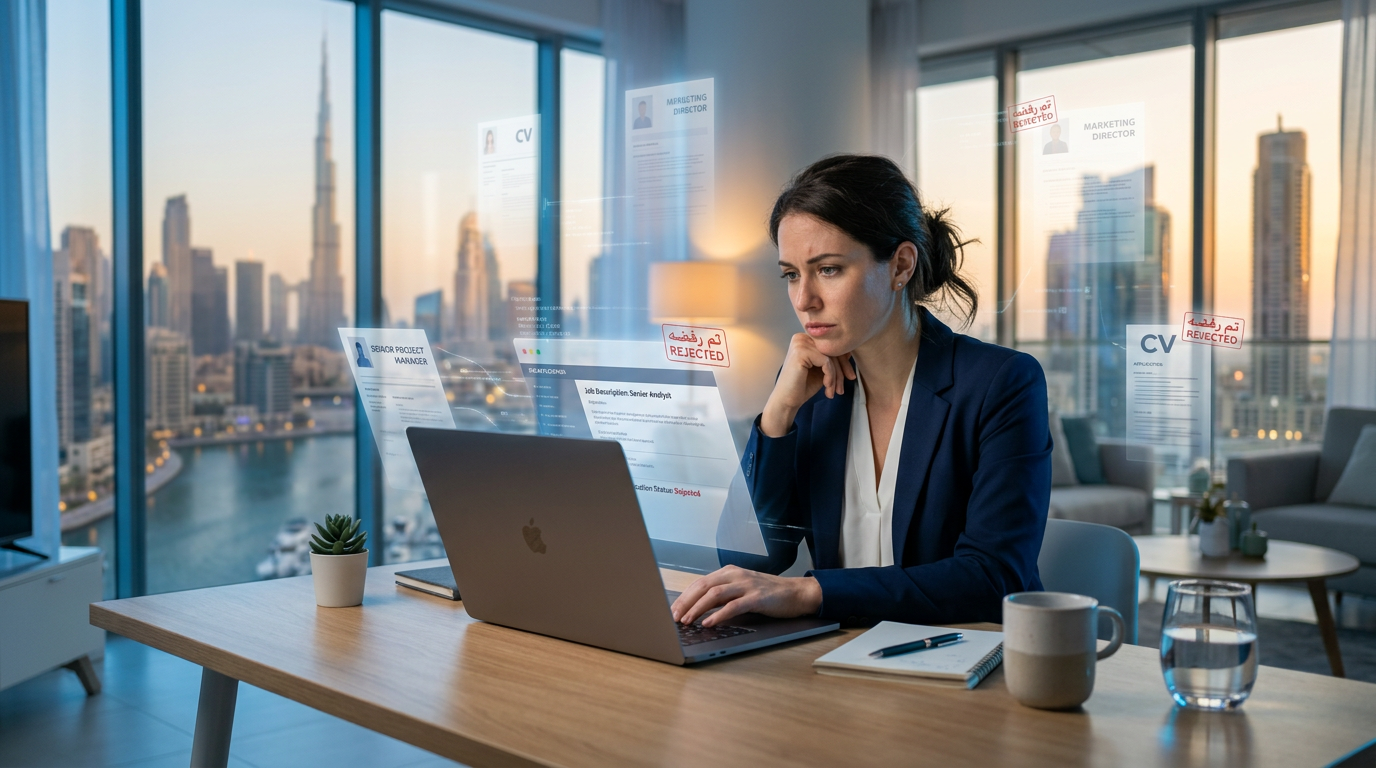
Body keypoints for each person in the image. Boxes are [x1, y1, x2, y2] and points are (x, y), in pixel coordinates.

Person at [670, 154, 1051, 629]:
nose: (804, 300)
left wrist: (811, 592)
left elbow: (993, 578)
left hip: (962, 655)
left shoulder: (1001, 383)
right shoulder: (807, 390)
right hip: (838, 655)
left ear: (900, 266)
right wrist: (777, 414)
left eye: (828, 269)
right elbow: (747, 556)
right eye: (791, 274)